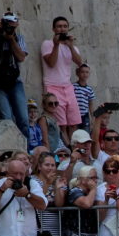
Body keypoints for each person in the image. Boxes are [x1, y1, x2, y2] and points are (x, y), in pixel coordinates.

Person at [41, 16, 83, 145]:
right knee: (62, 125)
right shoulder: (47, 44)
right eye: (59, 26)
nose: (62, 29)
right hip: (53, 86)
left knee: (74, 123)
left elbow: (79, 63)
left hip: (68, 87)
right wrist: (56, 45)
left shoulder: (72, 47)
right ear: (54, 29)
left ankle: (75, 149)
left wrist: (70, 46)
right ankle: (67, 151)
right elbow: (51, 63)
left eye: (65, 26)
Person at [72, 63, 95, 132]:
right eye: (82, 72)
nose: (84, 74)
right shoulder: (73, 87)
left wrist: (93, 117)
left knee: (86, 133)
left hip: (85, 114)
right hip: (75, 114)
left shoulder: (89, 89)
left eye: (86, 72)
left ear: (89, 74)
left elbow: (90, 105)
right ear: (78, 73)